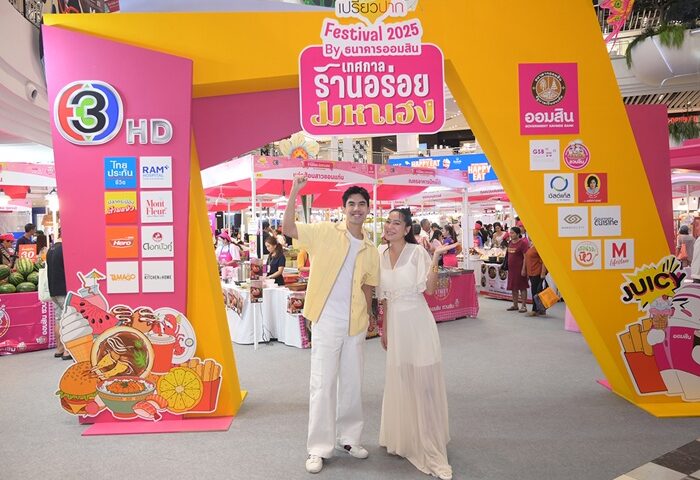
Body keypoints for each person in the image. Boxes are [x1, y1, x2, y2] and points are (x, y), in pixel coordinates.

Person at [282, 176, 380, 474]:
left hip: (356, 322)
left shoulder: (370, 247)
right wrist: (295, 191)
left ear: (368, 209)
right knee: (322, 383)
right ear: (343, 208)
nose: (356, 209)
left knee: (352, 382)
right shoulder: (325, 231)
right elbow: (288, 229)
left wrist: (371, 316)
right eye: (351, 204)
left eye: (361, 204)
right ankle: (318, 448)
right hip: (326, 319)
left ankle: (349, 439)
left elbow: (368, 285)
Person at [378, 208, 455, 480]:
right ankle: (405, 436)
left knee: (423, 383)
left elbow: (430, 289)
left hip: (418, 323)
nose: (390, 226)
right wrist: (385, 328)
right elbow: (385, 298)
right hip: (396, 326)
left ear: (407, 229)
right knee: (401, 379)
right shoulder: (380, 253)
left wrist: (435, 258)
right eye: (388, 222)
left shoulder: (417, 253)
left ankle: (429, 440)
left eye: (396, 223)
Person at [46, 229, 70, 360]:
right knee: (68, 319)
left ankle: (59, 349)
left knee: (59, 319)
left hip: (53, 290)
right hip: (63, 289)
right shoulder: (65, 250)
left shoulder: (51, 250)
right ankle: (67, 351)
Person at [506, 226, 529, 313]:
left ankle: (524, 306)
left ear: (518, 234)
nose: (510, 234)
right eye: (510, 233)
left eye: (512, 233)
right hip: (511, 269)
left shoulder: (523, 243)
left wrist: (524, 269)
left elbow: (525, 257)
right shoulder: (510, 242)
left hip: (520, 268)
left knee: (522, 287)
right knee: (513, 287)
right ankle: (515, 305)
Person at [524, 242, 548, 316]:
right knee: (537, 292)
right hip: (531, 272)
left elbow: (544, 260)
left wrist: (543, 273)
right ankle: (541, 309)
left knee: (535, 292)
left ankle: (534, 310)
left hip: (537, 272)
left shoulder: (539, 247)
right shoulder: (531, 246)